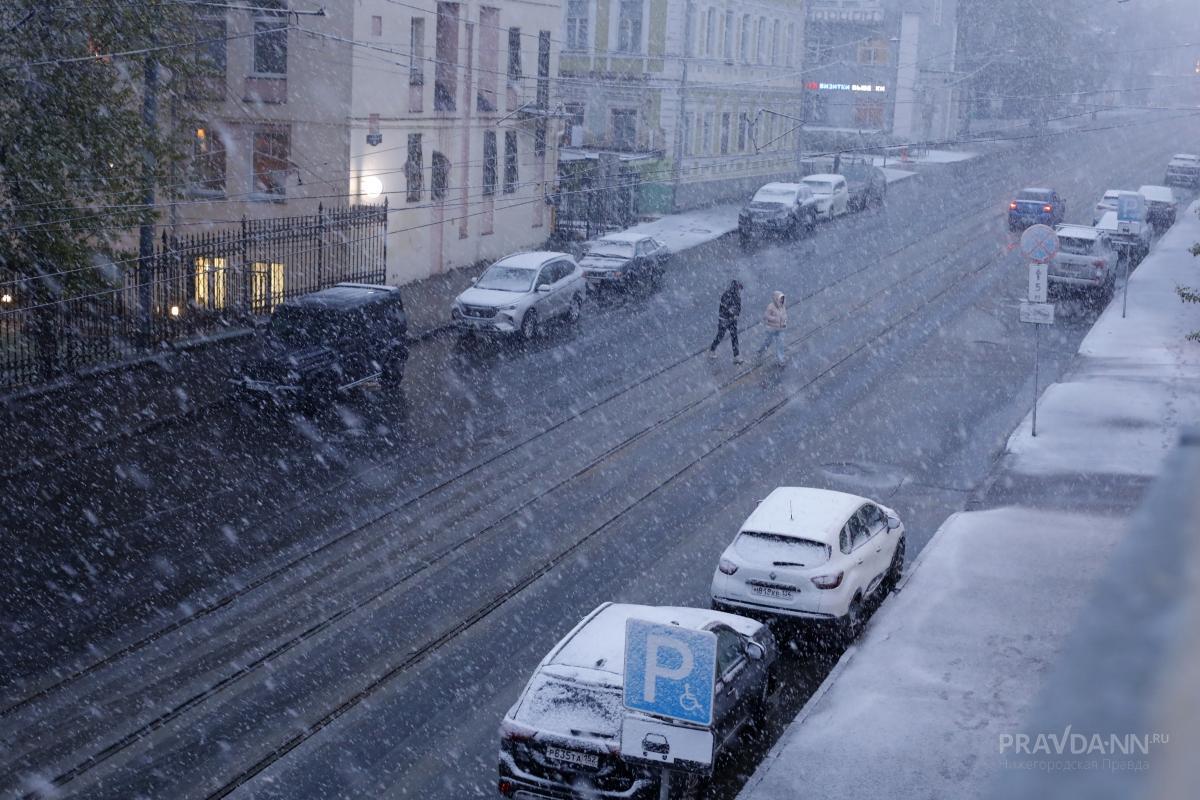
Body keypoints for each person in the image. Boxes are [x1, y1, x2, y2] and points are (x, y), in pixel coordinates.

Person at [708, 280, 744, 363]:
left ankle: (736, 356)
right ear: (735, 288)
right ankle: (712, 349)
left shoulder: (737, 296)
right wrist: (732, 313)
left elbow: (738, 308)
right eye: (738, 288)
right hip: (724, 320)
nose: (739, 290)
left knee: (734, 337)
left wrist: (736, 314)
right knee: (720, 335)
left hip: (732, 320)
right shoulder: (726, 295)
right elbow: (724, 308)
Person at [756, 291, 788, 365]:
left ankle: (781, 359)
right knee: (768, 342)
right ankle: (760, 351)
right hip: (772, 329)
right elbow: (765, 316)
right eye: (780, 298)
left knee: (780, 344)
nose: (782, 300)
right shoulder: (771, 306)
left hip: (780, 329)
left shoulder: (783, 306)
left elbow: (785, 316)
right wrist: (774, 319)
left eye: (782, 299)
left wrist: (784, 323)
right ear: (776, 298)